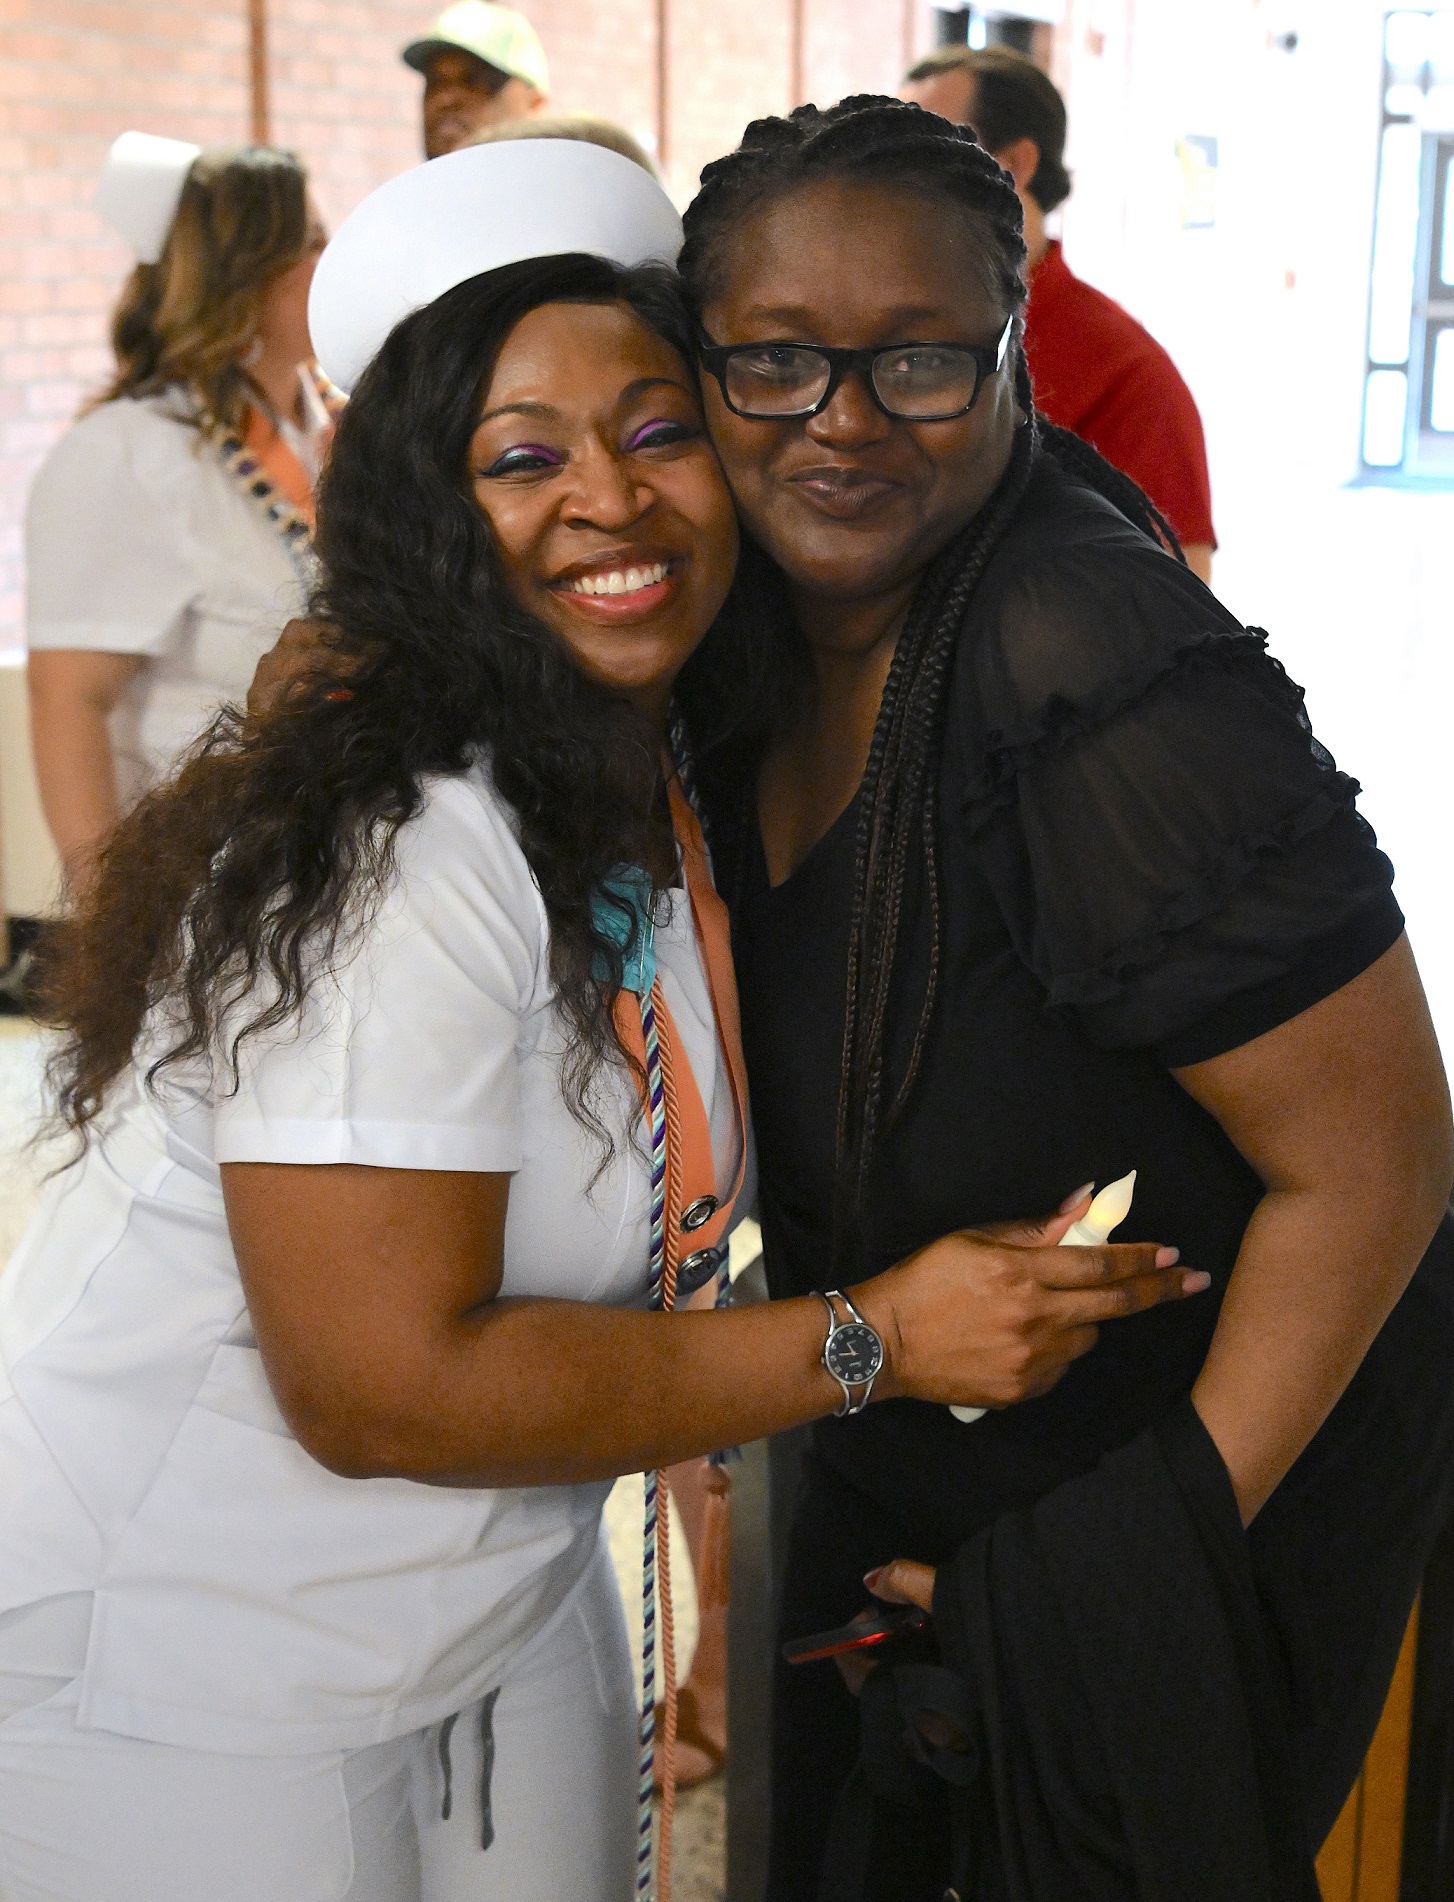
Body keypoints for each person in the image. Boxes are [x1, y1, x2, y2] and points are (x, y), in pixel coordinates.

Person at [251, 101, 1454, 1897]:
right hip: (904, 1489)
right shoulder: (735, 633)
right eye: (773, 366)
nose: (839, 424)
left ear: (1012, 350)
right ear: (701, 365)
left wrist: (1101, 1568)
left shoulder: (1080, 650)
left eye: (917, 365)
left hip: (1161, 1525)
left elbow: (1376, 1158)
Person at [0, 139, 1199, 1902]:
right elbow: (378, 1383)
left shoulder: (669, 766)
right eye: (518, 458)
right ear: (424, 512)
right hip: (189, 1653)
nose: (609, 500)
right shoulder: (402, 837)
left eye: (654, 434)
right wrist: (874, 1336)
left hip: (506, 1579)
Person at [25, 135, 332, 890]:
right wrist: (108, 929)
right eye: (316, 244)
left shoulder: (326, 425)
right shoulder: (126, 453)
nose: (339, 262)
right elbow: (70, 702)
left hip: (325, 877)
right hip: (195, 890)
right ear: (249, 275)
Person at [902, 46, 1218, 581]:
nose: (894, 180)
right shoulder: (882, 332)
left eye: (923, 150)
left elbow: (1175, 601)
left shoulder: (1126, 374)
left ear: (1014, 164)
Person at [405, 0, 550, 159]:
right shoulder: (405, 184)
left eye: (475, 81)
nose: (445, 99)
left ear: (535, 105)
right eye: (435, 82)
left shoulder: (565, 182)